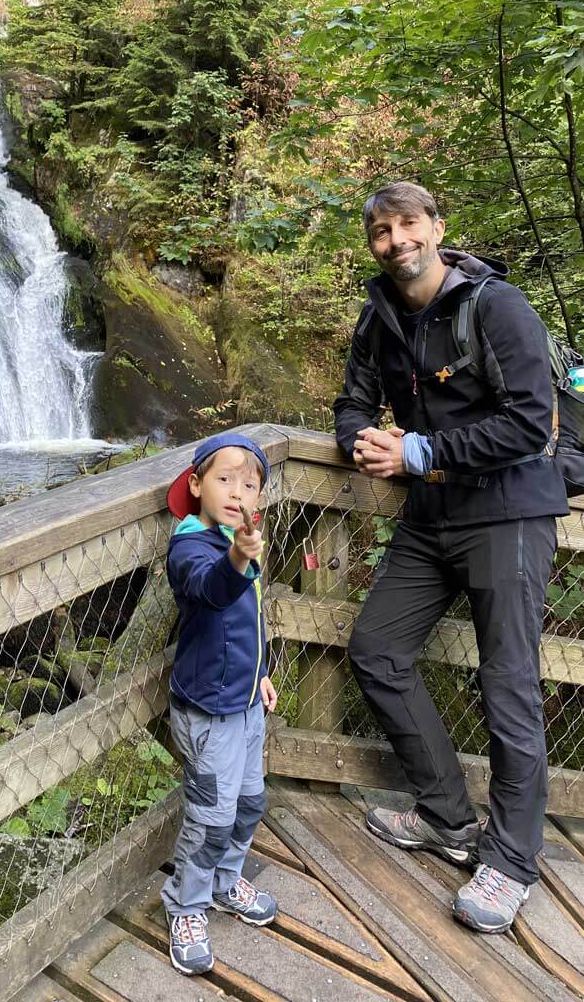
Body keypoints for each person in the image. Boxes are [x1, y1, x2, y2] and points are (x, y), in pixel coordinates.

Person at [334, 181, 568, 934]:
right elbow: (352, 401)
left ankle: (511, 861)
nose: (396, 240)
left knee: (507, 684)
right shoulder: (378, 317)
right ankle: (446, 817)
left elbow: (532, 425)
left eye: (408, 225)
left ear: (437, 226)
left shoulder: (497, 307)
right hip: (429, 517)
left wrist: (422, 449)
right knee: (376, 650)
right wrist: (361, 442)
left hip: (508, 514)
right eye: (381, 230)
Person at [161, 432, 279, 975]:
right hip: (209, 713)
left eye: (249, 483)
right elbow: (210, 591)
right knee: (210, 818)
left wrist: (264, 673)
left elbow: (250, 619)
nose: (237, 491)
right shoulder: (190, 546)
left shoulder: (242, 539)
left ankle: (227, 881)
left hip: (247, 702)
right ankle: (186, 905)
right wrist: (236, 556)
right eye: (224, 479)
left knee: (250, 802)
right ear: (196, 484)